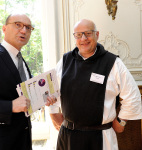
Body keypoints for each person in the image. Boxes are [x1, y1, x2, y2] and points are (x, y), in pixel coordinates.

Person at [49, 19, 142, 150]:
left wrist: (121, 121)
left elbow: (133, 95)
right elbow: (52, 89)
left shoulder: (112, 62)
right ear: (74, 37)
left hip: (101, 137)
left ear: (97, 35)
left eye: (88, 33)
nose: (83, 38)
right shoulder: (65, 61)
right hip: (68, 137)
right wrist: (53, 112)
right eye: (79, 35)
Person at [0, 13, 56, 150]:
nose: (23, 30)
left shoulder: (21, 61)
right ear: (4, 28)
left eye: (28, 27)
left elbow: (22, 99)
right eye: (18, 25)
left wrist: (43, 99)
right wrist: (10, 106)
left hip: (23, 141)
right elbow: (14, 103)